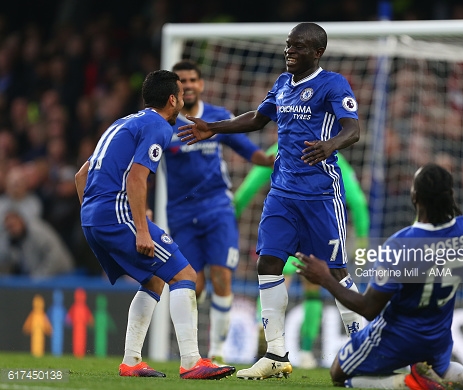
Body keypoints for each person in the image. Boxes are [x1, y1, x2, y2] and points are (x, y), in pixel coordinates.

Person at [176, 22, 363, 379]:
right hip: (282, 193)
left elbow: (353, 129)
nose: (289, 52)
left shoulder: (333, 83)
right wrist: (213, 127)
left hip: (321, 194)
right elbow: (258, 120)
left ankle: (361, 349)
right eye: (288, 46)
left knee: (335, 272)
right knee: (268, 264)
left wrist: (330, 145)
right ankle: (276, 353)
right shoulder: (281, 83)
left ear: (317, 52)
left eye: (298, 47)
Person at [294, 163, 463, 390]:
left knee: (339, 374)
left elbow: (368, 308)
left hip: (396, 338)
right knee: (439, 372)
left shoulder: (401, 245)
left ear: (415, 197)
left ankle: (408, 383)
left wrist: (325, 278)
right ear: (450, 195)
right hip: (437, 337)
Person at [74, 70, 235, 380]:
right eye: (182, 97)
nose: (185, 102)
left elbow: (81, 175)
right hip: (116, 214)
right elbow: (136, 177)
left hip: (92, 218)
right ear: (172, 99)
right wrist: (141, 228)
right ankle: (191, 361)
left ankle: (132, 361)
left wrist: (95, 214)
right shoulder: (158, 126)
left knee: (154, 279)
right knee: (184, 274)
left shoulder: (122, 123)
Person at [164, 59, 274, 365]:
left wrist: (269, 159)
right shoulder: (163, 123)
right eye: (181, 81)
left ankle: (217, 352)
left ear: (200, 84)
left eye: (191, 80)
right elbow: (146, 166)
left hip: (217, 208)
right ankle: (189, 353)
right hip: (181, 213)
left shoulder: (217, 118)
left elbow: (247, 150)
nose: (186, 85)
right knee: (191, 285)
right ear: (175, 88)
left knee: (222, 278)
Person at [234, 142, 369, 368]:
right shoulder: (330, 154)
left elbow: (248, 188)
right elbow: (358, 202)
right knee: (313, 288)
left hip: (285, 225)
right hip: (318, 224)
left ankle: (265, 332)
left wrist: (233, 215)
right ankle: (306, 351)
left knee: (275, 276)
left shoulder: (280, 147)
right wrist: (363, 245)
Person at [0, 209, 74, 277]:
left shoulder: (37, 230)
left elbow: (55, 255)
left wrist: (39, 276)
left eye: (14, 225)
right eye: (9, 227)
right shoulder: (13, 241)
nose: (12, 229)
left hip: (61, 273)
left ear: (21, 220)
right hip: (37, 277)